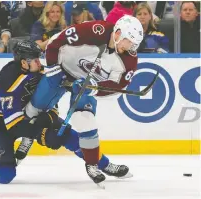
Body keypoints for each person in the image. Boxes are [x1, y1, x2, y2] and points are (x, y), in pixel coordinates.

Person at [0, 40, 131, 184]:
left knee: (68, 135)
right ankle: (12, 149)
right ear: (23, 62)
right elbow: (14, 125)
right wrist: (43, 134)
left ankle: (104, 164)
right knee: (4, 176)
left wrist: (52, 114)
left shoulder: (39, 70)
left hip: (30, 117)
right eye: (35, 60)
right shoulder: (8, 79)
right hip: (0, 125)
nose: (40, 63)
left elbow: (51, 99)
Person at [26, 15, 143, 185]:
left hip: (84, 83)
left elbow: (116, 88)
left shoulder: (129, 60)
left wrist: (95, 88)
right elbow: (56, 40)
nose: (132, 47)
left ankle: (93, 164)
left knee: (84, 119)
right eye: (129, 41)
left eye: (135, 44)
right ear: (117, 34)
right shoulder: (96, 30)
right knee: (32, 111)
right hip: (61, 70)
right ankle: (22, 144)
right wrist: (52, 67)